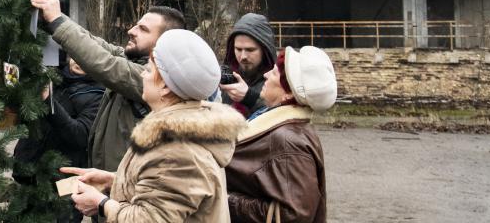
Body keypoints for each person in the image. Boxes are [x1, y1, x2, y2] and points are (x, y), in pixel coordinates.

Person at [64, 29, 246, 222]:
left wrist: (101, 204)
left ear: (166, 87)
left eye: (149, 70)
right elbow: (163, 187)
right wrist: (115, 181)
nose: (143, 74)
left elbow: (150, 218)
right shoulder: (179, 134)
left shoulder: (175, 150)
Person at [30, 0, 184, 173]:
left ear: (163, 43)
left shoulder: (154, 78)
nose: (131, 31)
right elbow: (96, 44)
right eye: (136, 25)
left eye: (143, 29)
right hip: (110, 181)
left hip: (125, 190)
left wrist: (56, 21)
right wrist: (54, 19)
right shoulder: (134, 61)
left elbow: (105, 63)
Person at [226, 46, 337, 223]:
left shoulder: (289, 141)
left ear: (288, 93)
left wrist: (226, 201)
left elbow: (295, 214)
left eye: (275, 73)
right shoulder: (280, 126)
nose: (266, 75)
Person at [13, 57, 104, 223]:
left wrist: (48, 100)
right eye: (76, 55)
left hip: (65, 182)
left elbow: (79, 135)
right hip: (29, 170)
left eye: (86, 57)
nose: (80, 61)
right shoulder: (51, 75)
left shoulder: (99, 95)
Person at [219, 14, 277, 117]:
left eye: (250, 50)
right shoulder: (226, 77)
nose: (243, 56)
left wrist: (249, 97)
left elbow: (280, 118)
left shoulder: (278, 81)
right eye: (238, 49)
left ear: (265, 50)